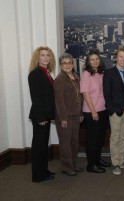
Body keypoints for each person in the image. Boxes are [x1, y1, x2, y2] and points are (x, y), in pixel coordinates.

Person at [103, 47, 124, 175]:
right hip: (116, 111)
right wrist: (111, 110)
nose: (123, 59)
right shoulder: (109, 73)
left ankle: (122, 161)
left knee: (123, 137)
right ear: (116, 58)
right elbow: (106, 93)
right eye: (120, 56)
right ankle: (115, 163)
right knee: (115, 137)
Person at [28, 46, 56, 182]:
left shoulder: (46, 72)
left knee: (43, 146)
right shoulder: (35, 74)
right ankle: (38, 176)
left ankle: (44, 171)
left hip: (45, 116)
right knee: (39, 147)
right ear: (37, 58)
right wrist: (40, 117)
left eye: (48, 55)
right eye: (43, 55)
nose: (46, 58)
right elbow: (36, 98)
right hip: (40, 117)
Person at [80, 49, 110, 173]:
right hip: (92, 111)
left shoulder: (101, 73)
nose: (95, 61)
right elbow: (85, 94)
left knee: (100, 138)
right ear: (88, 61)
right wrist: (93, 111)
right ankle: (91, 165)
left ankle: (97, 160)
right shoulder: (86, 74)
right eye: (92, 59)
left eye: (97, 59)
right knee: (92, 139)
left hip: (103, 109)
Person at [54, 53, 84, 176]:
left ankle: (74, 164)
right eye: (64, 63)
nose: (67, 65)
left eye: (69, 63)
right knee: (65, 142)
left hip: (76, 115)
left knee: (74, 142)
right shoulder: (60, 79)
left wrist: (81, 112)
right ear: (61, 65)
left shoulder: (76, 77)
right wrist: (63, 118)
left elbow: (80, 97)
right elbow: (59, 101)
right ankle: (67, 167)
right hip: (65, 116)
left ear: (72, 64)